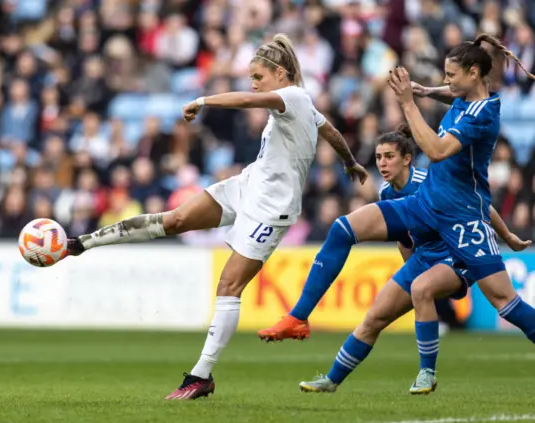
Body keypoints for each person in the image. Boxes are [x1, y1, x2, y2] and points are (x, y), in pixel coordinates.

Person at [60, 33, 368, 400]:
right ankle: (81, 243)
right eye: (251, 77)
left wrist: (203, 100)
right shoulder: (303, 104)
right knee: (173, 220)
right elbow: (330, 130)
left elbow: (244, 101)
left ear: (280, 74)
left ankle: (200, 376)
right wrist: (350, 162)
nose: (253, 83)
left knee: (228, 286)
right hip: (248, 185)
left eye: (258, 76)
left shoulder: (294, 97)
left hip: (273, 208)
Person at [259, 33, 535, 394]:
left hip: (462, 219)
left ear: (473, 72)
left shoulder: (483, 115)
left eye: (451, 74)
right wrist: (426, 91)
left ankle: (426, 372)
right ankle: (300, 321)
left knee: (504, 302)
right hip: (426, 207)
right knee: (345, 230)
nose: (447, 80)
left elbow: (435, 150)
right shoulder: (466, 96)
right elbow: (450, 93)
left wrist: (408, 102)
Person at [291, 125, 527, 395]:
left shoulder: (430, 181)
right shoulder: (386, 193)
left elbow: (480, 204)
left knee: (422, 288)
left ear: (407, 159)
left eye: (389, 156)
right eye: (378, 157)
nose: (382, 163)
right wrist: (410, 268)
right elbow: (405, 238)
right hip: (425, 257)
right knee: (374, 318)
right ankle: (332, 380)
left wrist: (506, 235)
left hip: (457, 251)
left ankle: (427, 373)